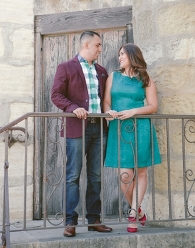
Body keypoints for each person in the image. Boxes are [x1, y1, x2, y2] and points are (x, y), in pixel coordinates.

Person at [51, 30, 113, 237]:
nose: (100, 49)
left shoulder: (102, 71)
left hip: (98, 128)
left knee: (96, 176)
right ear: (86, 45)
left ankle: (94, 219)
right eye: (98, 45)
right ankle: (70, 222)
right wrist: (72, 107)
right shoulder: (66, 67)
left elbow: (105, 98)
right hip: (77, 128)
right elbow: (56, 95)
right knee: (72, 177)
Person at [103, 44, 161, 233]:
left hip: (140, 127)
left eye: (122, 54)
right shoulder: (113, 76)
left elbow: (153, 106)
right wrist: (108, 112)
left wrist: (133, 111)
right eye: (119, 54)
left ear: (132, 55)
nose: (119, 57)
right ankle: (139, 211)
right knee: (124, 175)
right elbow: (106, 101)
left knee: (141, 172)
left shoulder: (145, 78)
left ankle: (133, 213)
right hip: (118, 128)